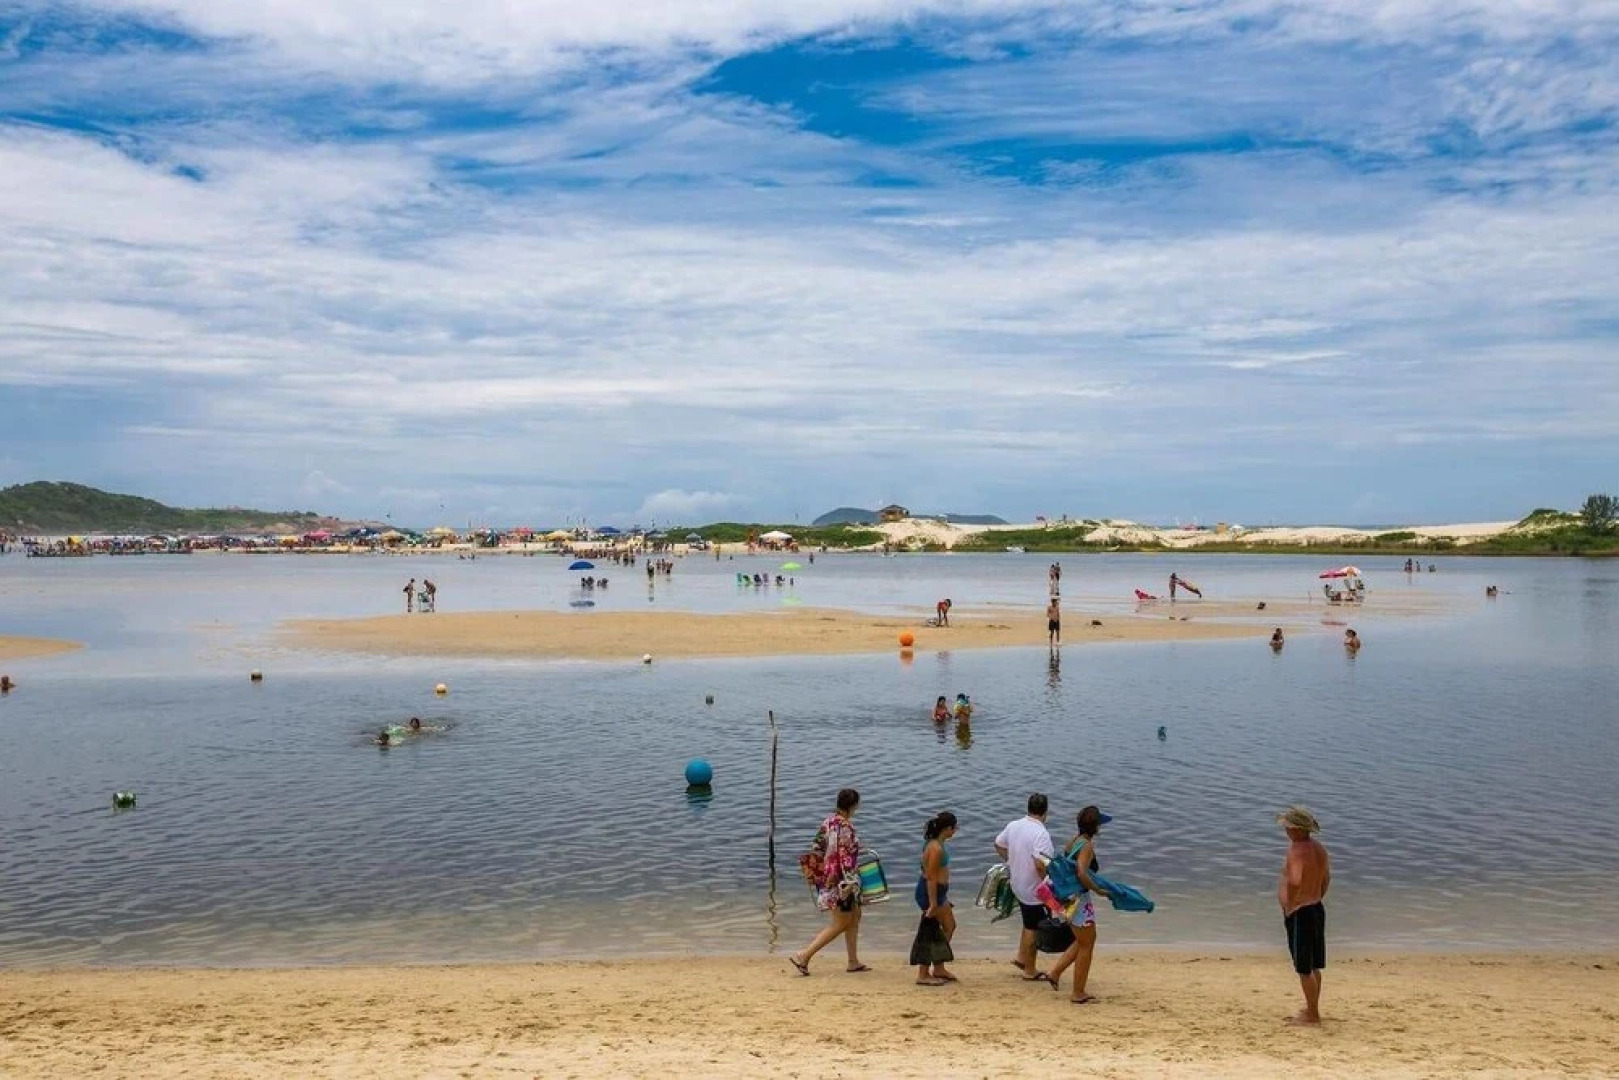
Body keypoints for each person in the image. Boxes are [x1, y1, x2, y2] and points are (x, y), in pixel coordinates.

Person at [791, 789, 869, 976]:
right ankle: (804, 955)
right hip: (841, 880)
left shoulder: (828, 822)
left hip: (828, 876)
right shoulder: (847, 827)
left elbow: (817, 847)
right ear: (854, 805)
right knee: (840, 923)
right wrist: (850, 882)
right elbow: (845, 859)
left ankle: (853, 961)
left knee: (855, 916)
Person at [1045, 805, 1111, 1003]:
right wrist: (1098, 890)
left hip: (1066, 899)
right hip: (1079, 900)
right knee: (1087, 944)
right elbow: (1081, 872)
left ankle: (1055, 973)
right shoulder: (1087, 846)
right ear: (1096, 827)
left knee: (1083, 940)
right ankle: (1078, 992)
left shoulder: (1074, 841)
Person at [1277, 806, 1331, 1024]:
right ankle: (1312, 1008)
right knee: (1314, 965)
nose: (1286, 831)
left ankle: (1312, 1015)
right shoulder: (1318, 848)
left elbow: (1295, 880)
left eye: (1288, 827)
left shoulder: (1297, 850)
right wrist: (1316, 896)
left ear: (1298, 829)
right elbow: (1326, 879)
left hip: (1300, 913)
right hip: (1316, 908)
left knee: (1303, 968)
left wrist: (1290, 905)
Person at [994, 794, 1055, 981]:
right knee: (1033, 927)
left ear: (1028, 808)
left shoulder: (1014, 825)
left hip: (1017, 883)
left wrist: (1010, 860)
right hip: (1033, 888)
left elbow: (998, 844)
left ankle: (1022, 957)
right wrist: (1048, 883)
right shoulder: (1041, 834)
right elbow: (1040, 864)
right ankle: (1030, 970)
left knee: (1028, 920)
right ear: (1045, 812)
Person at [912, 811, 959, 986]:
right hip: (930, 893)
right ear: (947, 829)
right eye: (954, 828)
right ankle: (923, 974)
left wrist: (942, 896)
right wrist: (932, 904)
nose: (955, 831)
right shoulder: (935, 848)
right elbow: (930, 877)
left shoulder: (937, 844)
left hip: (939, 893)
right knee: (930, 931)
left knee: (949, 926)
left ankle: (939, 967)